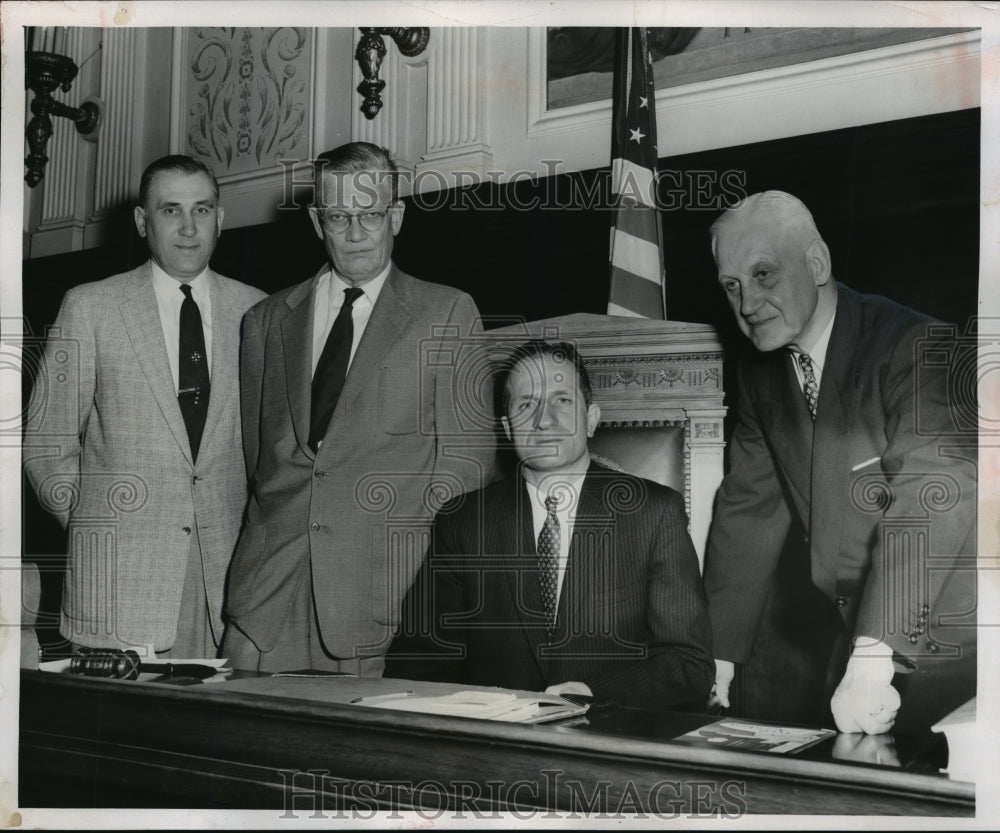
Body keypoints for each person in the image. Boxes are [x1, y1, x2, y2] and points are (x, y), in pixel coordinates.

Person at [704, 190, 976, 733]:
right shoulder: (760, 373)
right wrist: (717, 653)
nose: (747, 304)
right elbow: (748, 508)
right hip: (855, 639)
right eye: (731, 286)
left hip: (955, 646)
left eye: (763, 275)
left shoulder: (917, 345)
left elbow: (931, 491)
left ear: (818, 263)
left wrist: (874, 659)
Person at [222, 142, 495, 674]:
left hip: (377, 602)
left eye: (370, 214)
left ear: (396, 215)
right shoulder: (265, 320)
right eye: (339, 216)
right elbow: (257, 460)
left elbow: (466, 467)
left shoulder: (447, 313)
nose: (354, 232)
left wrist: (408, 568)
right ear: (315, 220)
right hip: (263, 602)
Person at [23, 154, 266, 657]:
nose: (187, 227)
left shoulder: (258, 311)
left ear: (220, 219)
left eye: (202, 210)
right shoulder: (90, 306)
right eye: (170, 210)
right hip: (116, 586)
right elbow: (46, 445)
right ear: (142, 221)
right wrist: (96, 522)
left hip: (226, 586)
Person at [386, 340, 714, 710]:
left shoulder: (654, 514)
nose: (544, 419)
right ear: (508, 429)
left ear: (591, 419)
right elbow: (417, 662)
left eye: (562, 400)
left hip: (612, 741)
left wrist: (594, 696)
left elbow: (688, 665)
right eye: (527, 404)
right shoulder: (463, 521)